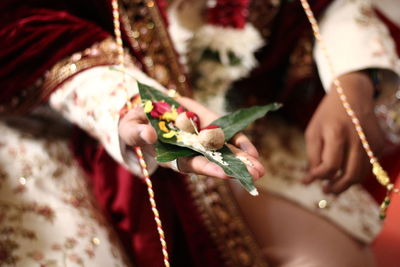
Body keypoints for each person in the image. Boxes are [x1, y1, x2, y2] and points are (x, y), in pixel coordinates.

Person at [1, 0, 399, 267]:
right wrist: (127, 104)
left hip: (255, 130)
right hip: (74, 125)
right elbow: (23, 29)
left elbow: (326, 7)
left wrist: (354, 76)